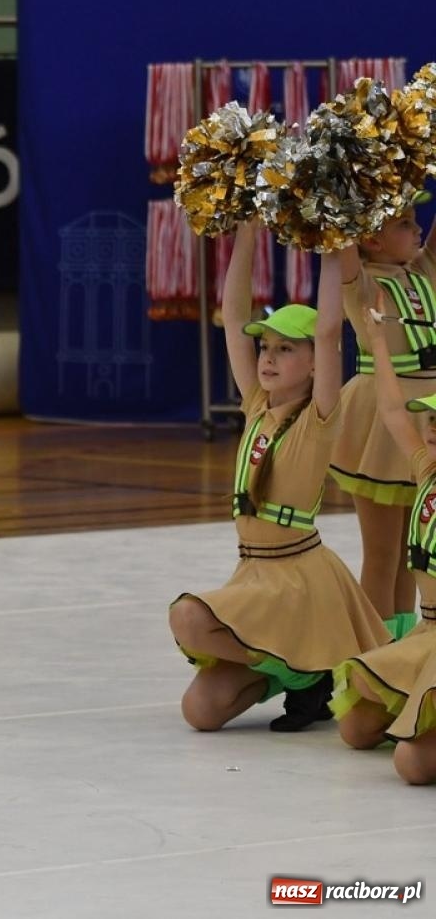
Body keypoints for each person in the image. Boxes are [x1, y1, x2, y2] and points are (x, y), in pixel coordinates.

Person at [167, 220, 387, 732]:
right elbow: (233, 317)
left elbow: (332, 331)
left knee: (189, 617)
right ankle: (297, 675)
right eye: (265, 348)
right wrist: (246, 231)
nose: (267, 357)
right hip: (255, 571)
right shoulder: (256, 406)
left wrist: (334, 241)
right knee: (200, 713)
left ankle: (309, 676)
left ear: (314, 363)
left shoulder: (320, 417)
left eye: (286, 349)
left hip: (299, 580)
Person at [333, 289, 436, 783]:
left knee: (412, 765)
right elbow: (395, 412)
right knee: (355, 729)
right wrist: (375, 340)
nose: (431, 429)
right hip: (428, 633)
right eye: (431, 420)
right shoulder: (425, 470)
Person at [329, 210, 436, 638]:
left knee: (414, 549)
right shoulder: (363, 283)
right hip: (381, 414)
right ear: (371, 239)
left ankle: (405, 646)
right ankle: (373, 658)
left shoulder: (424, 269)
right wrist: (343, 195)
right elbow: (342, 243)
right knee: (381, 551)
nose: (418, 230)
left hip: (428, 409)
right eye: (405, 225)